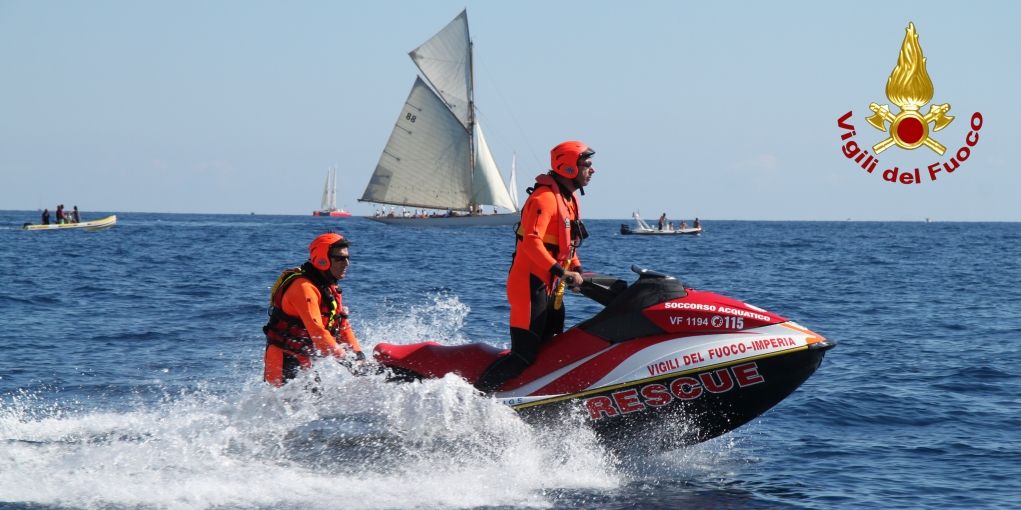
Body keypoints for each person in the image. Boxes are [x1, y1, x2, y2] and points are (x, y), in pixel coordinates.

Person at [474, 140, 595, 393]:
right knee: (524, 355)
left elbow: (567, 245)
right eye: (587, 164)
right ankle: (476, 398)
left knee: (551, 347)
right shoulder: (544, 199)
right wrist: (562, 272)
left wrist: (578, 270)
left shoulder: (569, 199)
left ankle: (535, 394)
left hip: (551, 286)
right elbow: (531, 243)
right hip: (529, 285)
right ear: (569, 167)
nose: (592, 170)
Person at [263, 232, 364, 387]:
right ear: (322, 259)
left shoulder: (328, 288)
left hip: (303, 359)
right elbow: (318, 334)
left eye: (347, 258)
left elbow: (342, 325)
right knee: (284, 408)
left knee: (313, 403)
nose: (346, 263)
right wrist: (347, 361)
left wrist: (358, 355)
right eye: (339, 258)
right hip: (283, 360)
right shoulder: (304, 288)